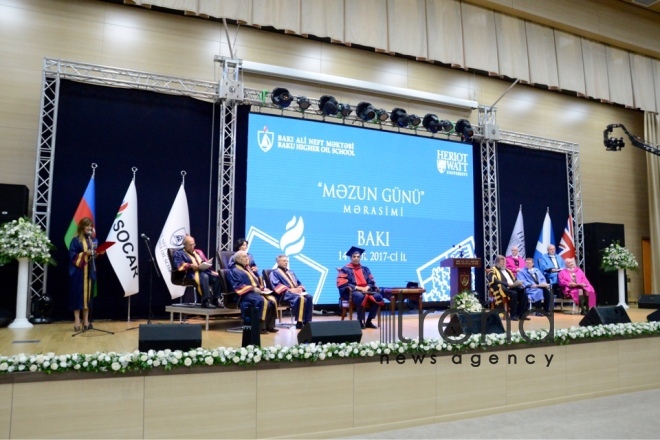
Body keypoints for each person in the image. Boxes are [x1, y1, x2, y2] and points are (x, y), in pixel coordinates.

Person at [68, 217, 105, 331]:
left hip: (90, 272)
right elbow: (73, 256)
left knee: (88, 297)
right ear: (82, 226)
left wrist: (99, 253)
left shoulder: (94, 240)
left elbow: (94, 256)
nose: (89, 227)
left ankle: (86, 321)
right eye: (87, 225)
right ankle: (76, 321)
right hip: (78, 272)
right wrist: (86, 253)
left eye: (91, 226)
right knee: (77, 296)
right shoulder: (76, 240)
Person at [229, 250, 278, 334]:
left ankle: (269, 326)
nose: (247, 258)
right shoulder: (235, 271)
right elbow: (238, 286)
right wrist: (252, 289)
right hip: (243, 295)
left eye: (247, 256)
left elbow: (255, 283)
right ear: (238, 259)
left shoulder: (248, 269)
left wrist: (262, 288)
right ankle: (259, 327)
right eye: (244, 257)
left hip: (252, 292)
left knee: (272, 300)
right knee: (261, 301)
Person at [336, 246, 385, 329]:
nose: (356, 259)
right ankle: (360, 321)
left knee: (378, 297)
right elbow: (342, 284)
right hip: (352, 292)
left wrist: (367, 287)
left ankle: (369, 321)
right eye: (354, 257)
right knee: (360, 297)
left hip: (366, 291)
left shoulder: (365, 269)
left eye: (358, 257)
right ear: (350, 258)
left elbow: (371, 281)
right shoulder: (345, 269)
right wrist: (358, 288)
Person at [173, 235, 221, 309]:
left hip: (203, 271)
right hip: (189, 274)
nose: (193, 246)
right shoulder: (179, 253)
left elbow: (204, 262)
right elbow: (179, 265)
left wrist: (209, 268)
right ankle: (205, 301)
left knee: (217, 278)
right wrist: (190, 266)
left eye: (194, 244)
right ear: (185, 245)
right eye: (190, 245)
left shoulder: (198, 252)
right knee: (205, 277)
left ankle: (216, 300)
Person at [269, 254, 314, 329]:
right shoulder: (274, 273)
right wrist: (290, 290)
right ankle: (299, 322)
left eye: (287, 261)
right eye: (284, 261)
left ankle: (307, 321)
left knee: (309, 297)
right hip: (284, 294)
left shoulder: (291, 272)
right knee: (301, 298)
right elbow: (276, 286)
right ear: (278, 262)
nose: (286, 262)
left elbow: (299, 283)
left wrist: (300, 288)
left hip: (295, 293)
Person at [487, 255, 529, 321]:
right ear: (497, 262)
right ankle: (513, 315)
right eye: (502, 262)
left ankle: (522, 315)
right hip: (503, 288)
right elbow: (493, 280)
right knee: (514, 293)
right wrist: (506, 284)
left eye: (504, 262)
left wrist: (519, 283)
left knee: (523, 292)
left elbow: (514, 279)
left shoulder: (508, 271)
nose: (504, 263)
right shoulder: (493, 270)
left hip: (512, 287)